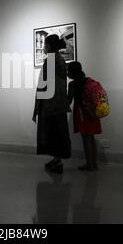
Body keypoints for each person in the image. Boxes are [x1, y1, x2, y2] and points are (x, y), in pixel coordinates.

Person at [33, 34, 71, 174]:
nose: (43, 47)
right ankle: (56, 159)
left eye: (45, 45)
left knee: (53, 132)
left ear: (48, 46)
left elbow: (45, 84)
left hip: (51, 104)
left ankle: (58, 161)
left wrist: (38, 105)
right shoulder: (59, 59)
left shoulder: (51, 60)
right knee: (57, 131)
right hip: (58, 103)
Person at [67, 61, 102, 171]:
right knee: (91, 138)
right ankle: (94, 163)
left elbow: (68, 101)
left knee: (85, 138)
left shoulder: (72, 85)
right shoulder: (89, 81)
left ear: (73, 72)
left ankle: (89, 164)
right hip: (93, 112)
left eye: (69, 70)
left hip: (82, 113)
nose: (67, 73)